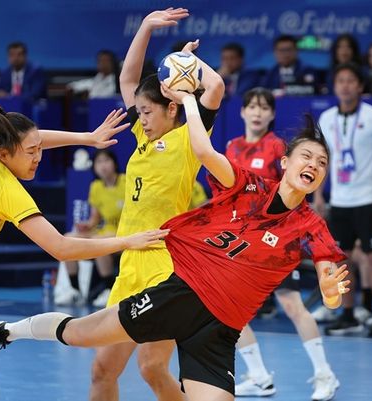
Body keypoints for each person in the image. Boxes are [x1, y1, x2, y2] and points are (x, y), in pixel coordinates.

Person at [0, 93, 350, 401]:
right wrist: (189, 99)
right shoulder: (250, 186)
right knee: (80, 334)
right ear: (285, 162)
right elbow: (203, 150)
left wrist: (330, 292)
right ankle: (9, 330)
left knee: (154, 369)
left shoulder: (312, 227)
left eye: (322, 163)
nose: (314, 165)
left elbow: (330, 285)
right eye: (307, 157)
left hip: (220, 330)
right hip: (181, 295)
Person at [0, 105, 168, 401]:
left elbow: (33, 136)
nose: (38, 157)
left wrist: (87, 137)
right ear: (5, 154)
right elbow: (61, 248)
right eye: (31, 152)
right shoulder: (6, 190)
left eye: (39, 149)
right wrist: (127, 241)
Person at [88, 8, 226, 401]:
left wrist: (187, 65)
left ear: (172, 108)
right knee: (102, 371)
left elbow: (215, 87)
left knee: (151, 368)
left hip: (166, 269)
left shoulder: (188, 140)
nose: (142, 118)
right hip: (130, 265)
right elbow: (128, 79)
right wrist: (147, 26)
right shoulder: (142, 137)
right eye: (141, 112)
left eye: (148, 111)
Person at [225, 87, 339, 401]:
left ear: (272, 114)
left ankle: (325, 374)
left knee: (292, 305)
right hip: (244, 240)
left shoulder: (278, 147)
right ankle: (259, 377)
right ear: (242, 111)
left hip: (278, 238)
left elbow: (298, 187)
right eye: (252, 106)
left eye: (264, 107)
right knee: (231, 308)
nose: (257, 112)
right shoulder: (232, 147)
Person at [314, 62, 372, 338]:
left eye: (351, 81)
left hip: (370, 198)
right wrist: (319, 193)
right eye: (341, 81)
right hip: (340, 201)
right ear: (335, 86)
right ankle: (348, 314)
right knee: (341, 260)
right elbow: (322, 159)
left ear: (360, 86)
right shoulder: (327, 118)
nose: (346, 86)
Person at [55, 149, 126, 307]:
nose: (103, 166)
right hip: (105, 231)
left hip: (125, 231)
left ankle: (109, 290)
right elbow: (95, 218)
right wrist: (86, 225)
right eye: (99, 162)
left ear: (114, 163)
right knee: (68, 238)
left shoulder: (126, 181)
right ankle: (75, 291)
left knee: (99, 242)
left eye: (106, 161)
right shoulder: (96, 187)